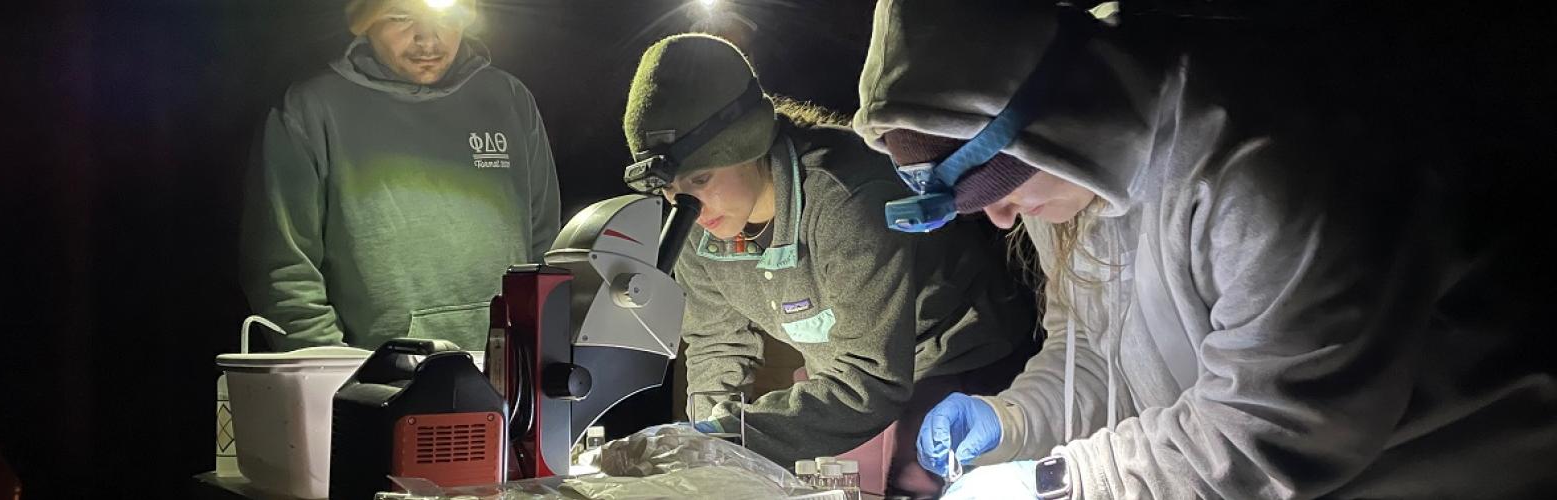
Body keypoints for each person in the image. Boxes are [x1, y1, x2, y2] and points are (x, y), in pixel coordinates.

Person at [853, 1, 1557, 498]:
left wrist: (1057, 483)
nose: (1003, 220)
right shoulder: (1070, 184)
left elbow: (1269, 433)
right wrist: (1011, 421)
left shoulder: (1271, 170)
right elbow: (1095, 350)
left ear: (1060, 124)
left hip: (1453, 467)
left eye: (1002, 188)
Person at [621, 34, 1038, 496]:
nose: (687, 204)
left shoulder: (848, 196)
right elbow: (717, 347)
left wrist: (725, 439)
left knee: (916, 484)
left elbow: (870, 380)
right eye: (671, 189)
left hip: (962, 359)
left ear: (751, 145)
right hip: (847, 377)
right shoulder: (696, 227)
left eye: (701, 178)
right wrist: (705, 460)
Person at [240, 0, 560, 350]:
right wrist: (335, 378)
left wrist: (536, 357)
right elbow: (285, 270)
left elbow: (546, 248)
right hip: (373, 387)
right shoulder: (310, 110)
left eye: (446, 17)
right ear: (365, 22)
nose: (427, 39)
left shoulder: (509, 99)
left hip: (510, 377)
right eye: (401, 17)